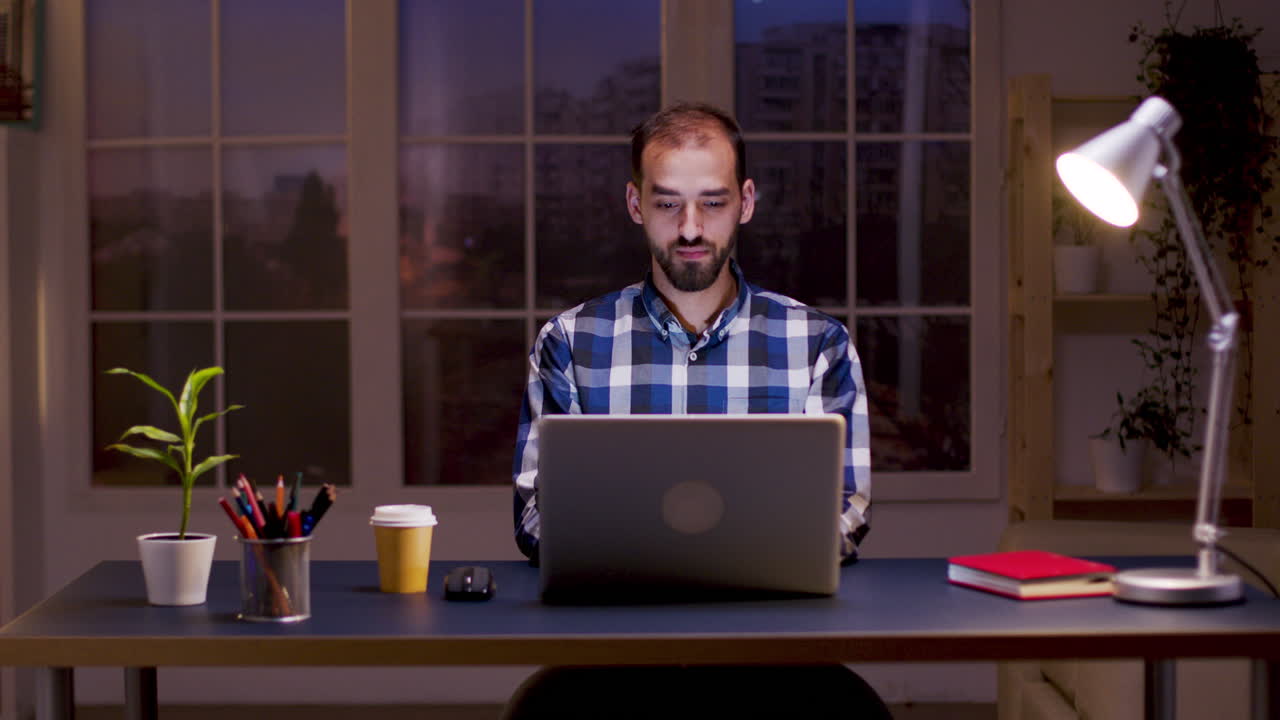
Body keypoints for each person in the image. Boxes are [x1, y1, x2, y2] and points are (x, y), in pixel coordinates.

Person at [506, 102, 887, 719]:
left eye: (712, 202)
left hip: (774, 650)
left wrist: (692, 563)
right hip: (615, 654)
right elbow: (534, 517)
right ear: (635, 205)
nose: (689, 228)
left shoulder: (819, 343)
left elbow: (847, 512)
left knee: (851, 714)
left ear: (746, 202)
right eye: (666, 204)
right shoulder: (569, 342)